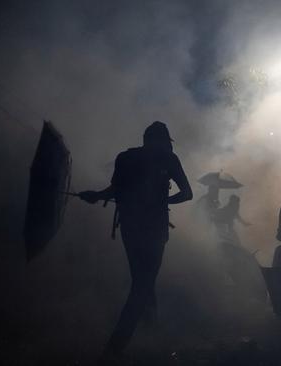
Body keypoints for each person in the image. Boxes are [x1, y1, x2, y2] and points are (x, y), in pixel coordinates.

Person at [79, 121, 193, 358]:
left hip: (130, 229)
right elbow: (187, 193)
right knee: (142, 285)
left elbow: (114, 190)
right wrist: (164, 203)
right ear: (163, 140)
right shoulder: (169, 160)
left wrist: (95, 195)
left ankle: (150, 335)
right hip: (154, 229)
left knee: (143, 281)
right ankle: (115, 347)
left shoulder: (125, 158)